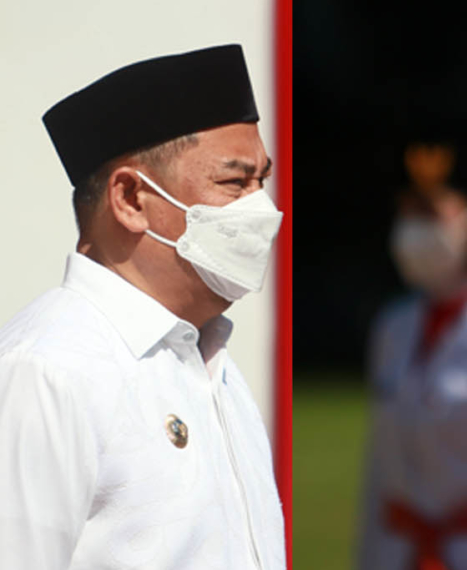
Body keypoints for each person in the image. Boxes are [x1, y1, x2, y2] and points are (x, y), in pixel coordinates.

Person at [0, 45, 285, 569]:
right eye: (234, 183)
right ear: (130, 198)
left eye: (261, 181)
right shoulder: (46, 371)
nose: (260, 209)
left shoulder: (210, 361)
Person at [357, 142, 467, 570]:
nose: (412, 228)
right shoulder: (395, 325)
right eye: (408, 211)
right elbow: (379, 473)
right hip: (397, 553)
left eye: (430, 213)